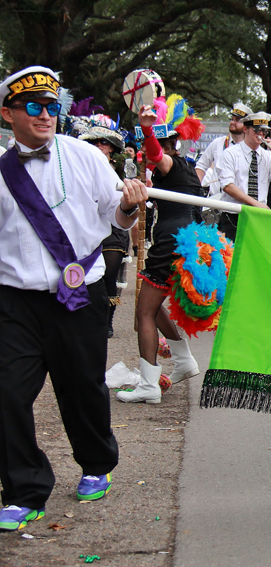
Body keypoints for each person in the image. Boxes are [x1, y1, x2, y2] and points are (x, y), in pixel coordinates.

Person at [0, 66, 147, 531]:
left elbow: (116, 219)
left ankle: (96, 463)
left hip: (79, 294)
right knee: (6, 394)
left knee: (81, 388)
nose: (46, 115)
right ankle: (24, 490)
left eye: (52, 106)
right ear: (8, 114)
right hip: (15, 302)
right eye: (34, 107)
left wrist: (128, 205)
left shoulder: (84, 155)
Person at [117, 104, 205, 404]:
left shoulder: (171, 164)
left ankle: (149, 385)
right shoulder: (187, 169)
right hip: (186, 242)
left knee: (143, 311)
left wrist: (146, 129)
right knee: (153, 307)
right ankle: (183, 361)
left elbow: (156, 155)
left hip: (172, 242)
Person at [79, 124, 130, 338]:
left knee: (109, 277)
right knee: (90, 277)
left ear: (111, 148)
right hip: (88, 229)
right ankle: (92, 316)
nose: (98, 146)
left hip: (115, 230)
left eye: (103, 142)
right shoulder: (79, 166)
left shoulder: (122, 168)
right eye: (93, 142)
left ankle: (109, 319)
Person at [216, 112, 271, 241]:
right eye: (256, 130)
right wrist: (255, 203)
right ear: (245, 129)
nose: (260, 134)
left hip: (257, 216)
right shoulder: (230, 153)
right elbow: (228, 186)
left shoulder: (267, 156)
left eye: (264, 131)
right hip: (234, 214)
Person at [197, 103, 252, 196]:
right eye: (232, 119)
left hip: (238, 202)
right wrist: (196, 188)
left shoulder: (250, 148)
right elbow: (201, 166)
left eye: (237, 120)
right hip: (214, 200)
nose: (232, 122)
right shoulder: (218, 143)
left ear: (246, 126)